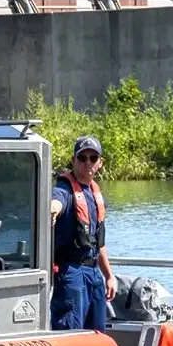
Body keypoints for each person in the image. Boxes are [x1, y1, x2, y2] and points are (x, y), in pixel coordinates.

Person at [48, 135, 116, 332]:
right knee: (71, 329)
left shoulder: (95, 194)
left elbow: (99, 242)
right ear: (74, 160)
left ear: (100, 163)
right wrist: (53, 211)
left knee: (97, 331)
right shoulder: (64, 189)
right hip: (72, 272)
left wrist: (109, 276)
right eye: (82, 157)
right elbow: (56, 202)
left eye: (93, 158)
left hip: (94, 273)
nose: (88, 162)